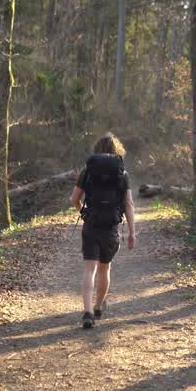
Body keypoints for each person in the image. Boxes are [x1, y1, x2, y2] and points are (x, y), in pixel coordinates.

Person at [70, 133, 136, 329]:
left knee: (89, 269)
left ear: (97, 150)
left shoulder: (87, 172)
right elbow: (129, 204)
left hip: (91, 225)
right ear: (117, 151)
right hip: (111, 227)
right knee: (104, 268)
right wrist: (132, 232)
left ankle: (88, 312)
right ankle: (98, 307)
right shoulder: (122, 174)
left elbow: (73, 199)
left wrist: (83, 211)